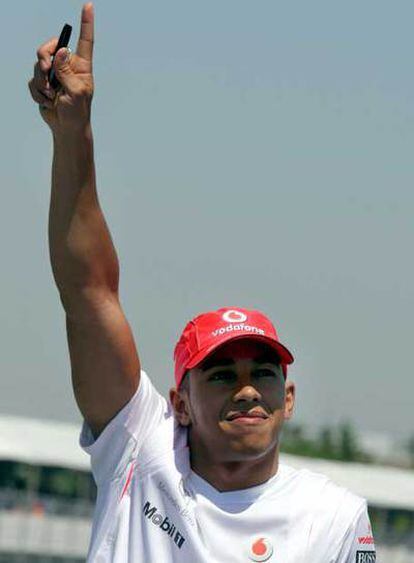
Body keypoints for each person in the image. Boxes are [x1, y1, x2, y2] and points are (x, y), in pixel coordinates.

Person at [28, 4, 377, 562]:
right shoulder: (140, 450)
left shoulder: (333, 516)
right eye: (220, 374)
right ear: (180, 404)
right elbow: (89, 290)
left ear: (287, 399)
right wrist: (74, 131)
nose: (246, 390)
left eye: (263, 372)